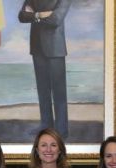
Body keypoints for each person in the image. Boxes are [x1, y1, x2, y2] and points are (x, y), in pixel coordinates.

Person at [18, 0, 71, 138]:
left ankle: (61, 131)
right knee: (43, 93)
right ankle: (46, 127)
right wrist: (41, 15)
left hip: (55, 49)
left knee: (59, 94)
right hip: (37, 48)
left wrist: (34, 15)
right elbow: (22, 16)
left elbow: (56, 19)